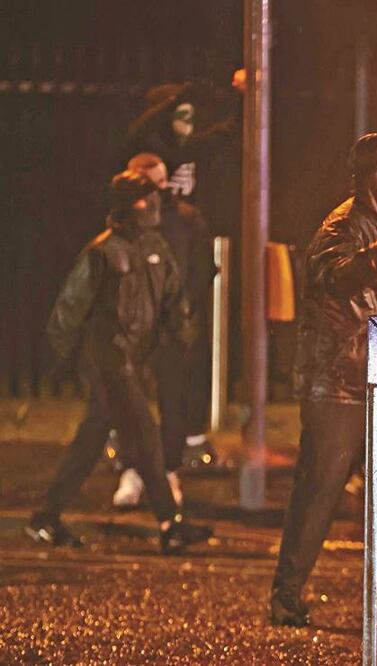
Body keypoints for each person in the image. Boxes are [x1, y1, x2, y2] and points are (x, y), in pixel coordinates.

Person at [269, 133, 377, 628]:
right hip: (337, 378)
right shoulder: (345, 224)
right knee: (321, 486)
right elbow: (336, 276)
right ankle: (286, 594)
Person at [26, 170, 213, 555]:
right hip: (109, 359)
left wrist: (183, 334)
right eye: (145, 199)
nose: (155, 206)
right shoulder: (102, 252)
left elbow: (174, 298)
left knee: (93, 440)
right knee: (146, 434)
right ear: (127, 207)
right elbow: (68, 310)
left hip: (135, 358)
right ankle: (170, 523)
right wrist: (58, 363)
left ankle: (46, 517)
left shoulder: (155, 247)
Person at [111, 153, 217, 508]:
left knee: (173, 402)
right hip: (132, 330)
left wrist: (182, 314)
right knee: (129, 403)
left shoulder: (185, 220)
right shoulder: (122, 225)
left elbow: (201, 271)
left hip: (169, 329)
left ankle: (168, 470)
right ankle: (132, 469)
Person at [125, 70, 245, 200]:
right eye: (180, 115)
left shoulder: (191, 144)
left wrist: (243, 94)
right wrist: (172, 102)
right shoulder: (147, 144)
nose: (187, 122)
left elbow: (230, 129)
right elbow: (139, 130)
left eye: (189, 116)